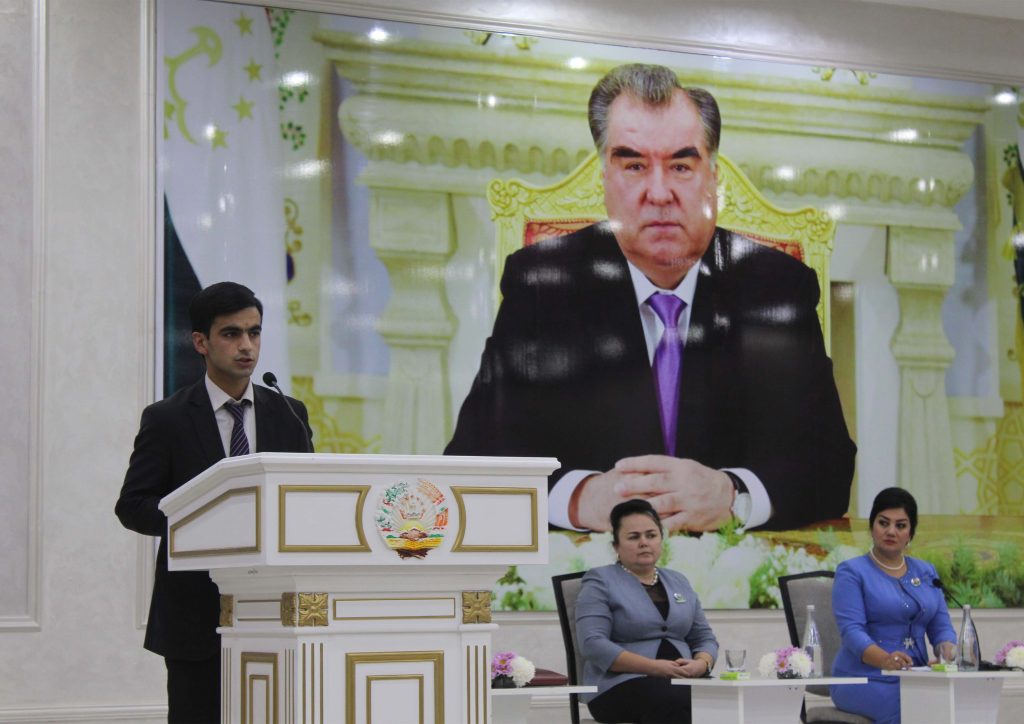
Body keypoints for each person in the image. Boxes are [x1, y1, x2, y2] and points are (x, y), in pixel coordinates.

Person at [445, 63, 855, 533]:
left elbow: (828, 464)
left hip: (734, 564)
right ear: (605, 180)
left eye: (681, 166)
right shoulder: (542, 283)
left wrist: (732, 495)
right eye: (634, 166)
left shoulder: (777, 286)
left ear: (713, 180)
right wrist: (580, 498)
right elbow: (473, 460)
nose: (659, 193)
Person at [115, 282, 313, 723]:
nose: (246, 346)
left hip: (276, 613)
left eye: (254, 333)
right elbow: (133, 505)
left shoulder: (290, 414)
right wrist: (203, 522)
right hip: (195, 615)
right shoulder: (167, 418)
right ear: (201, 342)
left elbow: (305, 501)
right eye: (231, 334)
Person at [575, 498, 718, 723]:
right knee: (674, 699)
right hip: (620, 685)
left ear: (661, 540)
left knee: (724, 698)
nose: (644, 543)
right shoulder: (600, 580)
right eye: (634, 537)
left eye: (651, 535)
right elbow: (593, 644)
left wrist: (701, 664)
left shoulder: (679, 581)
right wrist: (654, 668)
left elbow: (704, 637)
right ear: (616, 546)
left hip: (683, 680)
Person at [830, 487, 957, 724]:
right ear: (871, 526)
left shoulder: (926, 572)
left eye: (901, 525)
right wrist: (885, 660)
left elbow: (941, 627)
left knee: (955, 703)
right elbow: (852, 632)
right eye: (883, 523)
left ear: (911, 533)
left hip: (915, 677)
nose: (891, 531)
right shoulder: (852, 572)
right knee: (913, 707)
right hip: (862, 678)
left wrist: (947, 652)